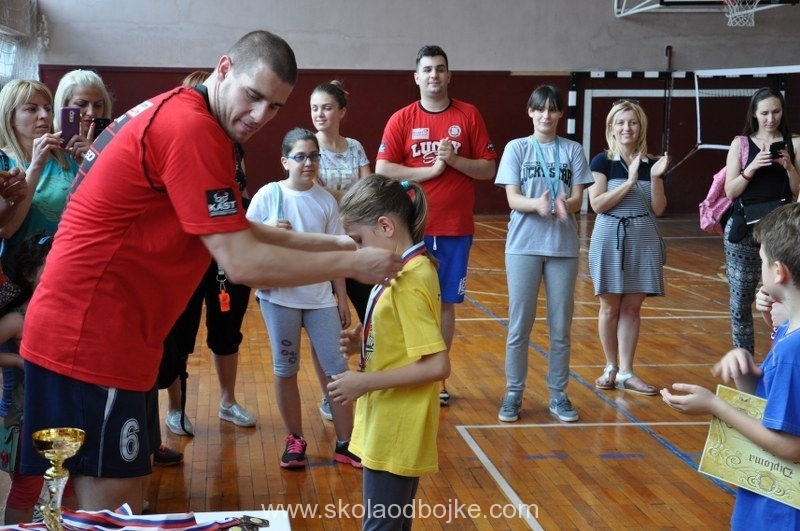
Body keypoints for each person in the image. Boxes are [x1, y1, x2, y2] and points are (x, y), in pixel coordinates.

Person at [18, 30, 402, 513]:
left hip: (108, 338)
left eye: (275, 106)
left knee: (125, 500)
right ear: (224, 69)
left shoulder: (192, 119)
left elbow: (240, 228)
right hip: (89, 340)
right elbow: (240, 262)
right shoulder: (192, 128)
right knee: (109, 509)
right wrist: (353, 263)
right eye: (253, 95)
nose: (259, 116)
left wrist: (338, 241)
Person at [662, 202, 800, 530]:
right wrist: (749, 378)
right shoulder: (786, 331)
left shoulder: (792, 349)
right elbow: (778, 408)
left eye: (762, 260)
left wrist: (715, 406)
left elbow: (791, 445)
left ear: (778, 272)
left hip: (780, 512)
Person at [375, 45, 496, 406]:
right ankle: (404, 370)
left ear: (449, 75)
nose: (434, 75)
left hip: (455, 228)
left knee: (444, 304)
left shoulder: (469, 115)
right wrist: (430, 171)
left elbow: (488, 169)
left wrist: (454, 160)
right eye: (427, 69)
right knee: (405, 299)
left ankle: (436, 378)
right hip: (411, 229)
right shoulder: (402, 119)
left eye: (440, 69)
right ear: (416, 77)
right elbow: (383, 169)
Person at [328, 174, 449, 530]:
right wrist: (365, 341)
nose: (358, 250)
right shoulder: (409, 267)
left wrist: (363, 383)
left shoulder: (408, 280)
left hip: (396, 424)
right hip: (392, 420)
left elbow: (437, 365)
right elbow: (405, 341)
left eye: (359, 240)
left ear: (385, 226)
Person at [247, 127, 360, 469]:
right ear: (285, 161)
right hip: (279, 298)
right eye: (300, 157)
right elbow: (242, 240)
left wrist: (341, 297)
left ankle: (346, 442)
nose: (308, 163)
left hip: (319, 298)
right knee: (286, 368)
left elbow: (336, 253)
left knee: (336, 369)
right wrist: (267, 231)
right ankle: (294, 439)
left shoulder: (326, 201)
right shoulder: (268, 195)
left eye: (313, 156)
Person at [163, 70, 256, 436]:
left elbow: (240, 194)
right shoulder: (180, 141)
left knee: (227, 329)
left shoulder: (232, 145)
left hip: (225, 253)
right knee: (180, 332)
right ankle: (175, 409)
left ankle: (228, 402)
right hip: (186, 254)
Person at [495, 85, 594, 423]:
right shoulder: (517, 148)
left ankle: (558, 394)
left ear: (560, 113)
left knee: (560, 327)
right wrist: (536, 205)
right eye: (540, 109)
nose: (546, 115)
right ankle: (513, 393)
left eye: (553, 109)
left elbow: (579, 199)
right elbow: (512, 198)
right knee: (519, 326)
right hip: (523, 246)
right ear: (530, 111)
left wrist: (567, 204)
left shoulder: (573, 150)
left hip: (562, 248)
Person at [587, 100, 669, 395]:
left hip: (643, 238)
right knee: (609, 307)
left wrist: (654, 176)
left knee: (632, 308)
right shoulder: (602, 161)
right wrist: (631, 180)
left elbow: (658, 208)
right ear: (611, 127)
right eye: (621, 122)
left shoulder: (653, 163)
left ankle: (626, 372)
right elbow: (597, 204)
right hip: (609, 236)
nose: (627, 128)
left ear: (641, 127)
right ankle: (610, 366)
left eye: (632, 122)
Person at [0, 233, 78, 524]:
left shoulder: (71, 310)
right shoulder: (17, 319)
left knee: (71, 481)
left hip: (67, 412)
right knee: (27, 488)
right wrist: (17, 361)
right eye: (51, 263)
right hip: (27, 418)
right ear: (30, 274)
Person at [309, 80, 372, 421]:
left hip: (358, 248)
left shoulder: (356, 148)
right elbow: (311, 195)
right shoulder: (308, 149)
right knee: (326, 332)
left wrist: (338, 198)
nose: (319, 114)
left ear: (341, 111)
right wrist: (351, 198)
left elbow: (369, 194)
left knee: (374, 316)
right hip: (322, 252)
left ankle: (372, 380)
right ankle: (329, 395)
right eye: (315, 108)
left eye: (327, 107)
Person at [722, 87, 800, 356]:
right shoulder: (741, 144)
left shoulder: (794, 143)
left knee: (784, 298)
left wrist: (789, 167)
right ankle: (744, 363)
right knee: (741, 303)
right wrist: (752, 167)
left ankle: (782, 356)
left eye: (776, 112)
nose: (771, 118)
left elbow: (796, 192)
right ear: (754, 114)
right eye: (764, 113)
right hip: (744, 231)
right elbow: (730, 191)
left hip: (781, 233)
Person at [0, 79, 89, 281]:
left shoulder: (67, 158)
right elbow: (7, 230)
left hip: (67, 267)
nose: (44, 115)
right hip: (20, 276)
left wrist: (90, 163)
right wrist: (36, 165)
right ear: (10, 117)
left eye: (48, 109)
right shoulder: (3, 162)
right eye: (32, 109)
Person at [52, 69, 113, 145]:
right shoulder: (47, 143)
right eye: (81, 104)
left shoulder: (111, 142)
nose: (91, 112)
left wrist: (91, 151)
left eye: (98, 105)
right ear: (64, 105)